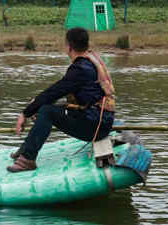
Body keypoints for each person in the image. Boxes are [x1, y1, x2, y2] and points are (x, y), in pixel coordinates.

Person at [7, 27, 116, 172]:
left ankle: (27, 160)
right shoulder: (91, 60)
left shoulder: (80, 69)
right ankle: (27, 149)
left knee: (46, 111)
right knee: (43, 106)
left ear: (69, 46)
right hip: (100, 121)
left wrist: (25, 113)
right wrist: (34, 106)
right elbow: (59, 92)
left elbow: (54, 92)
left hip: (95, 127)